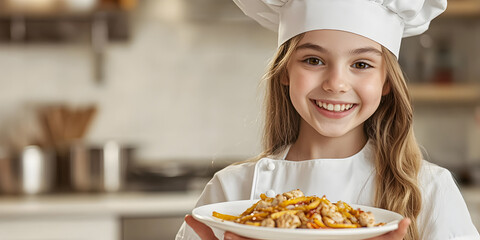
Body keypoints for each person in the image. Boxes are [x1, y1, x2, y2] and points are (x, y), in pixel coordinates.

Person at [176, 0, 480, 239]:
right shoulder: (230, 192)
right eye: (314, 60)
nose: (336, 83)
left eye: (361, 64)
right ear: (285, 71)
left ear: (386, 81)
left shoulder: (429, 190)